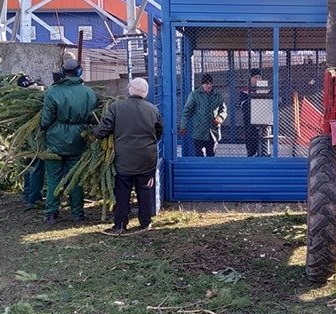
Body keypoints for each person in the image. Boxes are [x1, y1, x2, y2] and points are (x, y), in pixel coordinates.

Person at [94, 78, 163, 236]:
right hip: (147, 159)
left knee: (122, 192)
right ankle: (145, 222)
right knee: (145, 191)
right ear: (145, 92)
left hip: (124, 159)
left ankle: (120, 225)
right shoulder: (153, 110)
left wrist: (95, 132)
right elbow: (158, 132)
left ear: (130, 89)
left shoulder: (116, 107)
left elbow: (103, 129)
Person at [40, 57, 98, 225]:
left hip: (55, 140)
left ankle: (51, 213)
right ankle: (78, 213)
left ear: (63, 72)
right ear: (79, 72)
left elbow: (45, 120)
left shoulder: (53, 91)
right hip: (79, 140)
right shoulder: (88, 92)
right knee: (76, 177)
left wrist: (46, 129)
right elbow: (92, 117)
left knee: (53, 178)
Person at [179, 73, 226, 157]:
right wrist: (183, 125)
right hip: (199, 131)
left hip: (212, 131)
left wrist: (220, 117)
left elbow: (223, 109)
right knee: (199, 155)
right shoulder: (195, 95)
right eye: (207, 84)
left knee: (211, 154)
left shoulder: (217, 95)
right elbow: (187, 111)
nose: (209, 86)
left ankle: (210, 165)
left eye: (210, 83)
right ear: (202, 84)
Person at [17, 75, 46, 209]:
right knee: (36, 168)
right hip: (35, 139)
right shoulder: (33, 103)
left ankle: (28, 195)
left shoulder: (18, 103)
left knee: (28, 167)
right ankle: (33, 199)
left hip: (24, 139)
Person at [238, 69, 270, 157]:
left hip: (264, 124)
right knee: (251, 151)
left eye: (259, 77)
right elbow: (244, 106)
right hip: (250, 125)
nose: (258, 80)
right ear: (250, 79)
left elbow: (270, 104)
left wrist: (261, 93)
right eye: (255, 77)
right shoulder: (244, 91)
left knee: (264, 151)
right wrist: (255, 97)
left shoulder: (266, 90)